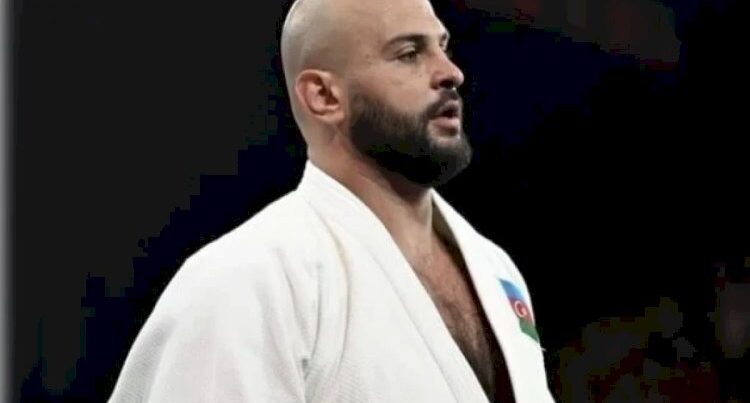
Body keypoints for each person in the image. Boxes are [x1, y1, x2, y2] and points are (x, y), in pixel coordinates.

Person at [108, 0, 555, 401]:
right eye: (409, 53)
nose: (450, 72)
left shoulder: (495, 269)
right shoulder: (247, 279)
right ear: (323, 97)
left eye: (443, 46)